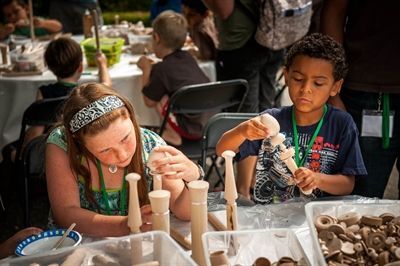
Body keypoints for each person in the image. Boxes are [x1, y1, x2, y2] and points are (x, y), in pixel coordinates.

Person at [216, 33, 367, 204]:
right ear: (286, 76)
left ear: (335, 86)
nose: (305, 89)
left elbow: (348, 184)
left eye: (318, 83)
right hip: (269, 219)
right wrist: (242, 131)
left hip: (318, 221)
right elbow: (222, 150)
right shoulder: (270, 120)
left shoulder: (341, 124)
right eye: (298, 79)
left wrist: (318, 179)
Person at [45, 82, 203, 237]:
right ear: (79, 142)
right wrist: (125, 224)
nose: (122, 155)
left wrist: (192, 178)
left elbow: (184, 212)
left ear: (131, 117)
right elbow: (66, 214)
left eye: (125, 138)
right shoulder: (63, 145)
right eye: (105, 149)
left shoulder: (151, 146)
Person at [321, 0, 400, 199]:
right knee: (361, 200)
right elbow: (334, 10)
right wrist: (333, 92)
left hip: (369, 88)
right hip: (369, 91)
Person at [137, 11, 210, 146]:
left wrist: (146, 69)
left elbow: (149, 101)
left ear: (156, 37)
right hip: (207, 126)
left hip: (187, 130)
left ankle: (172, 134)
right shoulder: (189, 58)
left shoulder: (162, 69)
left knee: (160, 95)